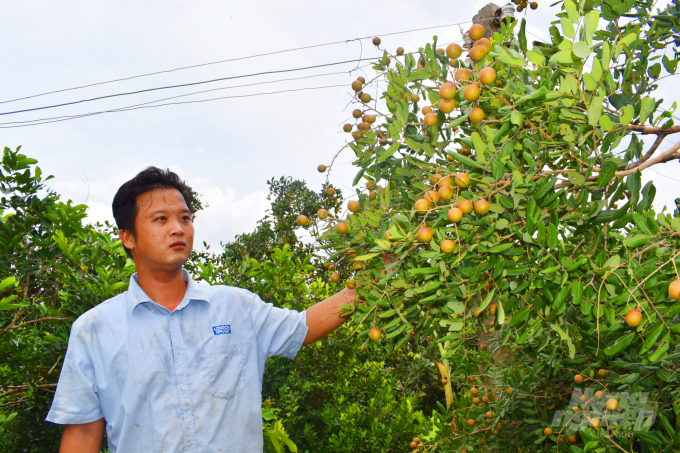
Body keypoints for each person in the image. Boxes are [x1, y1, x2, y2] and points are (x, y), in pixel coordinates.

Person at [46, 167, 356, 453]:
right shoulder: (95, 329)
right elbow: (84, 432)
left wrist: (370, 285)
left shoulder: (236, 307)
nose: (178, 229)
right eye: (161, 219)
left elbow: (302, 327)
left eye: (185, 218)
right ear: (127, 236)